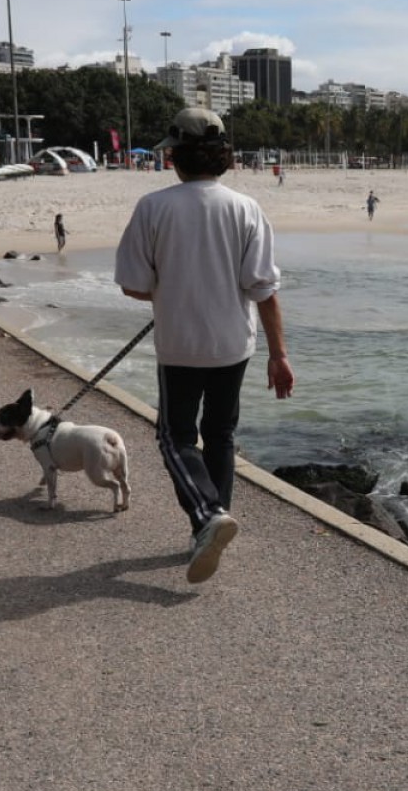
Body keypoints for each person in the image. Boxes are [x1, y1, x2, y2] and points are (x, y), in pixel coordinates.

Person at [116, 108, 292, 584]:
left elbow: (133, 285)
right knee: (220, 434)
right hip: (234, 345)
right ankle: (214, 522)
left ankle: (208, 517)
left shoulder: (154, 207)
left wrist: (171, 288)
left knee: (174, 436)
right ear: (222, 157)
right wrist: (279, 355)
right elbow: (264, 290)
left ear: (174, 156)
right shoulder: (247, 209)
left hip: (180, 345)